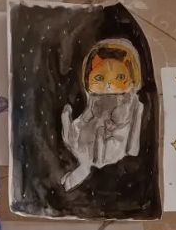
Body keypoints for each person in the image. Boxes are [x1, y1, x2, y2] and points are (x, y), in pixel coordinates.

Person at [60, 38, 145, 191]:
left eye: (120, 77)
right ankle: (82, 163)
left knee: (97, 151)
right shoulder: (94, 99)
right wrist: (80, 124)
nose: (109, 84)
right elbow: (87, 117)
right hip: (90, 141)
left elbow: (128, 134)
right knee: (80, 137)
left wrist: (114, 124)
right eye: (99, 78)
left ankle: (86, 168)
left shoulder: (129, 102)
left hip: (113, 148)